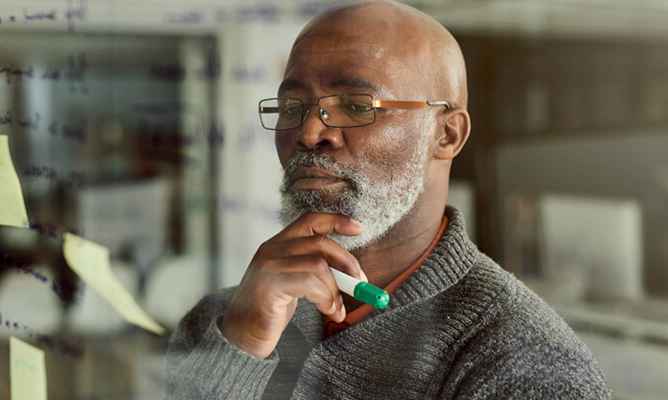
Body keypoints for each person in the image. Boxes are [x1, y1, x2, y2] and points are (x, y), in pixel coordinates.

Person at [166, 1, 611, 399]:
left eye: (358, 106)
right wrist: (236, 349)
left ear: (447, 134)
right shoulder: (221, 322)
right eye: (291, 107)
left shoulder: (524, 364)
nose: (308, 132)